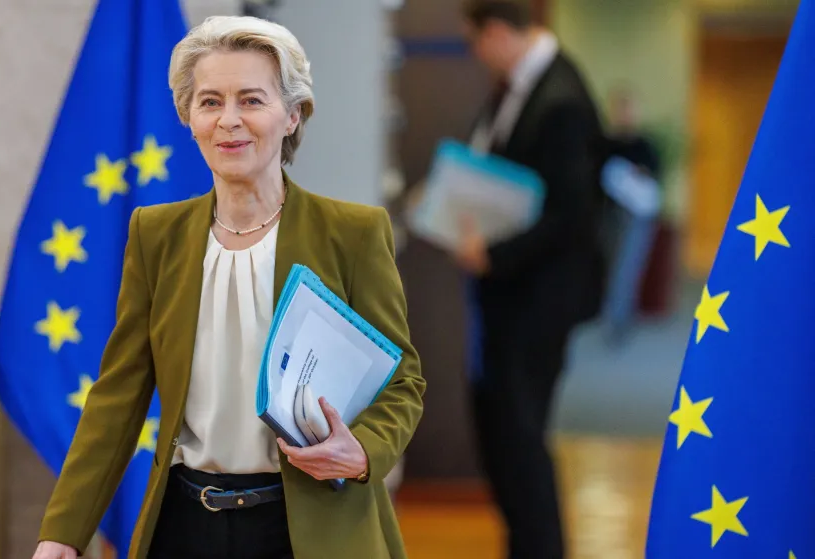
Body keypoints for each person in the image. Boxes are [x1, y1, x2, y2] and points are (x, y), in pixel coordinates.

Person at [31, 15, 426, 559]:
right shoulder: (156, 234)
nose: (229, 121)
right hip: (185, 525)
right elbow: (117, 397)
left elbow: (402, 380)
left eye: (252, 100)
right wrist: (63, 533)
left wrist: (362, 451)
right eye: (210, 102)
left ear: (292, 115)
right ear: (189, 118)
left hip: (312, 528)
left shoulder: (352, 233)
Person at [453, 2, 606, 558]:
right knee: (502, 435)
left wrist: (495, 254)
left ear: (496, 32)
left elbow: (571, 215)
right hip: (509, 295)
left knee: (520, 440)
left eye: (474, 41)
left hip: (539, 297)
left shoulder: (559, 96)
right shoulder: (517, 85)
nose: (475, 54)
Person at [600, 85, 663, 346]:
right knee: (609, 267)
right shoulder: (606, 144)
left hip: (636, 216)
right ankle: (609, 315)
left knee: (627, 268)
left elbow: (654, 178)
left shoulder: (645, 145)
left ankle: (620, 319)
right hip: (609, 214)